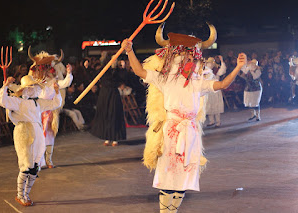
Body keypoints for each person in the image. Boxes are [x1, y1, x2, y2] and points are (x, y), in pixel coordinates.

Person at [122, 23, 247, 212]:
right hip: (171, 131)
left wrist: (238, 67)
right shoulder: (164, 78)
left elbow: (221, 84)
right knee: (167, 175)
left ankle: (172, 211)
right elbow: (140, 71)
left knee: (184, 178)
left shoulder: (198, 82)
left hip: (190, 132)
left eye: (192, 56)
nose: (190, 59)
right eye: (186, 55)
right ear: (176, 57)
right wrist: (130, 52)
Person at [0, 75, 62, 206]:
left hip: (37, 133)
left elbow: (56, 103)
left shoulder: (38, 102)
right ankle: (20, 195)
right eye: (33, 87)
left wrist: (57, 91)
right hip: (24, 133)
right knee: (26, 166)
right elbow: (2, 100)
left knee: (35, 167)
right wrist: (5, 86)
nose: (36, 89)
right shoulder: (18, 101)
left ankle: (25, 194)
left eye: (37, 87)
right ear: (26, 89)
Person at [27, 47, 73, 168]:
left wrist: (68, 73)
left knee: (49, 135)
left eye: (47, 68)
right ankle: (38, 161)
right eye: (42, 68)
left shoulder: (54, 81)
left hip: (49, 111)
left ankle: (48, 160)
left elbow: (66, 83)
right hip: (36, 111)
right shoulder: (34, 81)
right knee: (37, 136)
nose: (45, 71)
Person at [90, 51, 126, 147]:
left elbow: (122, 78)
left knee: (114, 114)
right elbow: (95, 76)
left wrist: (118, 68)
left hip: (113, 93)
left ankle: (115, 138)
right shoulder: (104, 69)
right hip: (104, 94)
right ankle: (107, 137)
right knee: (105, 114)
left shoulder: (117, 70)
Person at [204, 56, 226, 127]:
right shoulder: (205, 71)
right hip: (208, 90)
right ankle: (211, 121)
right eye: (208, 63)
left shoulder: (216, 70)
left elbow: (223, 70)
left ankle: (218, 121)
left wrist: (222, 61)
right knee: (209, 105)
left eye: (210, 63)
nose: (209, 65)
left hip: (215, 90)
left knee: (216, 105)